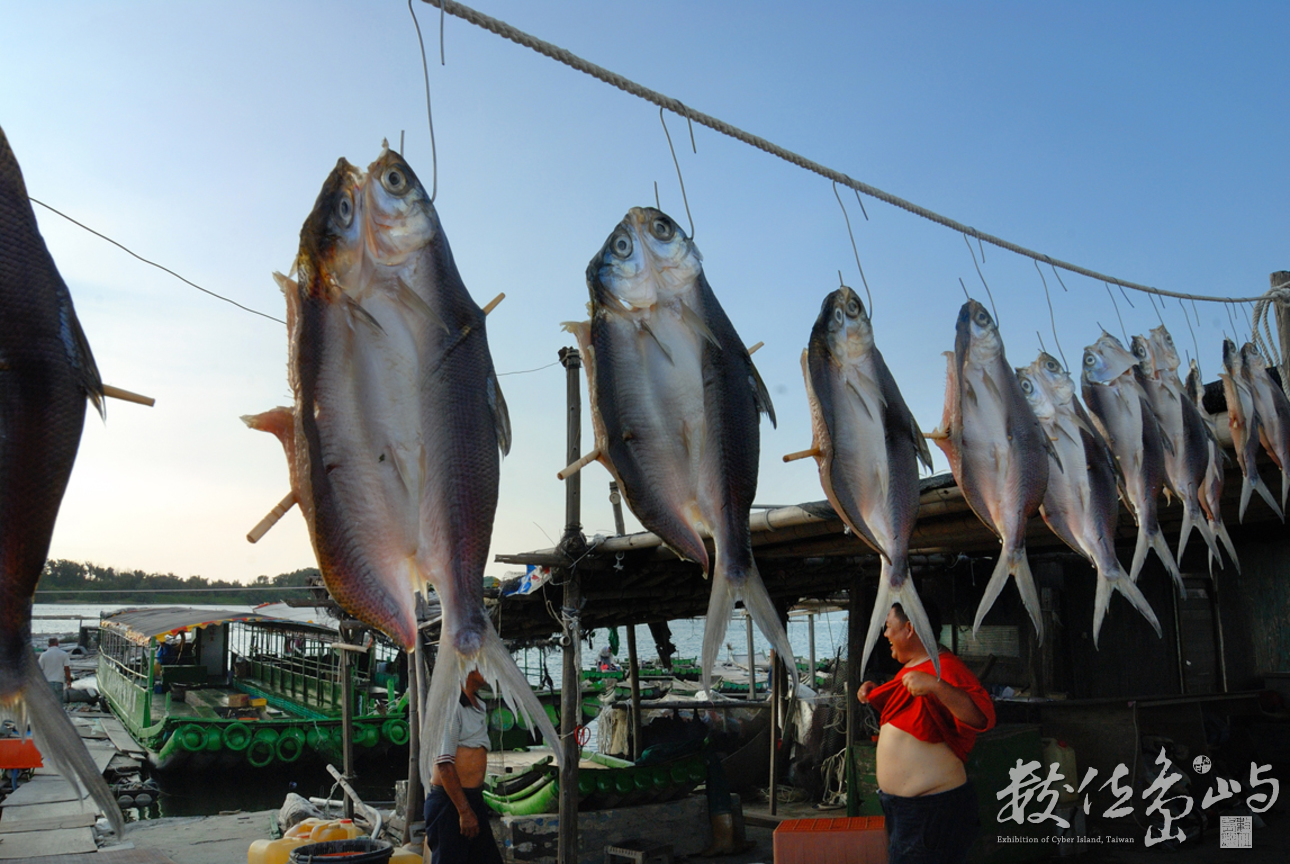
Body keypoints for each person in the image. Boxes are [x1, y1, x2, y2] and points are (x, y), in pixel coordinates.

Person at [857, 603, 995, 864]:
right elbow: (910, 709)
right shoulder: (914, 667)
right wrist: (875, 692)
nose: (885, 635)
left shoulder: (945, 668)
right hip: (906, 808)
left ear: (909, 628)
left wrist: (935, 685)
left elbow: (981, 717)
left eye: (888, 627)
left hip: (932, 809)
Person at [424, 669, 501, 864]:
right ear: (466, 668)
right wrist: (464, 811)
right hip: (450, 803)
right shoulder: (451, 705)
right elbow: (444, 765)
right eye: (482, 664)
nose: (488, 670)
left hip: (472, 798)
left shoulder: (478, 705)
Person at [38, 637, 72, 704]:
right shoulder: (64, 654)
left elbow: (40, 670)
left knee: (48, 703)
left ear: (48, 645)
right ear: (57, 644)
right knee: (59, 704)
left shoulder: (43, 655)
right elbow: (67, 669)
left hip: (48, 682)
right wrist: (68, 680)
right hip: (59, 681)